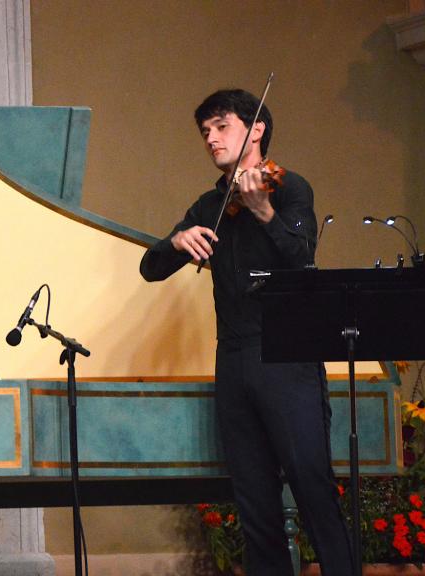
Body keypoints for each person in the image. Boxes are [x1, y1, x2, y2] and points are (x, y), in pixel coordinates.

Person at [140, 89, 352, 575]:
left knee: (312, 490)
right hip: (232, 359)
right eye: (205, 132)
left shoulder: (290, 188)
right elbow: (150, 268)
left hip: (286, 359)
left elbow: (303, 262)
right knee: (254, 504)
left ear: (256, 129)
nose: (211, 139)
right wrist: (176, 242)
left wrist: (263, 211)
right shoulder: (210, 204)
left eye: (221, 126)